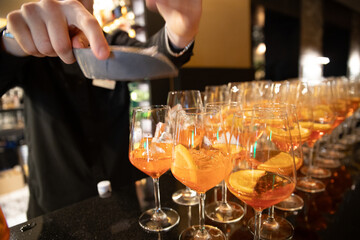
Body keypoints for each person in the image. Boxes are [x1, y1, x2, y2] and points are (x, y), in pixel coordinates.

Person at [0, 0, 202, 219]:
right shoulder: (31, 56)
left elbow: (154, 54)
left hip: (121, 198)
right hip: (56, 209)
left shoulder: (112, 43)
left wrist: (178, 33)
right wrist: (10, 42)